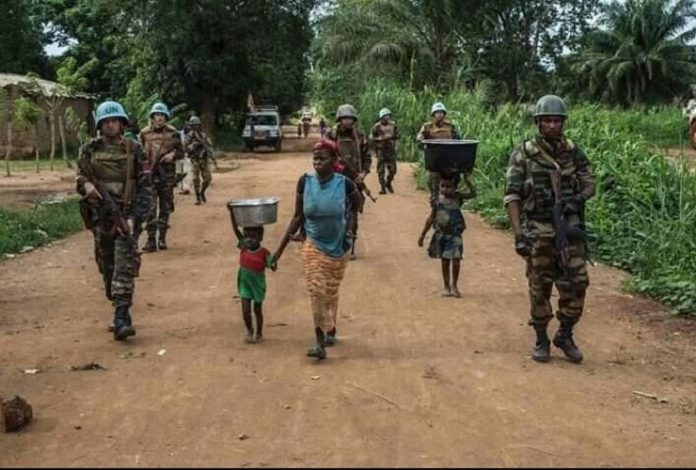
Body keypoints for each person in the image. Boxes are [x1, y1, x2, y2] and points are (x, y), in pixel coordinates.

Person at [504, 95, 596, 364]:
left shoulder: (573, 151)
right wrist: (519, 235)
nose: (553, 126)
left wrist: (578, 198)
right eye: (548, 121)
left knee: (577, 282)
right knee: (539, 286)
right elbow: (512, 196)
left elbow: (590, 180)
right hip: (538, 228)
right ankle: (542, 338)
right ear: (538, 123)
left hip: (568, 228)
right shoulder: (524, 153)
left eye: (557, 120)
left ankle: (565, 333)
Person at [272, 140, 362, 360]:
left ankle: (330, 327)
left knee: (330, 290)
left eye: (322, 158)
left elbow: (356, 205)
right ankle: (319, 341)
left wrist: (349, 226)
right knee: (316, 289)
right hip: (313, 244)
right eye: (315, 158)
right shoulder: (305, 182)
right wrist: (277, 252)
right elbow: (297, 216)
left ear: (334, 160)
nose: (317, 162)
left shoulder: (345, 184)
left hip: (339, 245)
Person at [76, 101, 152, 341]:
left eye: (115, 121)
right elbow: (80, 177)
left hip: (126, 216)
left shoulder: (134, 149)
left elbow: (145, 187)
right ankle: (117, 302)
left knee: (123, 265)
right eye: (107, 121)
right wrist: (86, 185)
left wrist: (133, 218)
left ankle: (121, 316)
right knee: (106, 264)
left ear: (122, 123)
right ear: (100, 124)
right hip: (100, 217)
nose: (111, 125)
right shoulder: (89, 149)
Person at [418, 173, 476, 298]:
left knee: (456, 261)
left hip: (455, 234)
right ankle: (446, 286)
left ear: (455, 187)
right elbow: (431, 218)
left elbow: (473, 194)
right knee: (444, 262)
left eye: (449, 186)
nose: (445, 189)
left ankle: (454, 284)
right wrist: (423, 235)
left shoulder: (457, 198)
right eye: (442, 186)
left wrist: (468, 181)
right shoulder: (437, 200)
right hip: (442, 234)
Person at [326, 104, 372, 260]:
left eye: (350, 118)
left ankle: (351, 246)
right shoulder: (331, 135)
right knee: (333, 213)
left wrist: (363, 174)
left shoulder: (360, 136)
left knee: (353, 213)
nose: (347, 121)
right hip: (335, 180)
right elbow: (324, 155)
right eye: (345, 118)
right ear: (339, 119)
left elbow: (367, 157)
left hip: (354, 181)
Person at [139, 102, 184, 252]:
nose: (159, 118)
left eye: (162, 115)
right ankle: (151, 240)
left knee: (165, 207)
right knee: (150, 208)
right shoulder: (144, 133)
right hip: (150, 175)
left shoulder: (173, 133)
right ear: (152, 117)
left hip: (166, 175)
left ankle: (162, 238)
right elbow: (139, 154)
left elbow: (181, 152)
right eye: (156, 115)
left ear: (166, 117)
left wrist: (172, 155)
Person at [228, 209, 276, 344]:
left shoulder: (264, 253)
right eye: (246, 236)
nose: (249, 240)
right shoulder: (243, 246)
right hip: (244, 284)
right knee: (245, 310)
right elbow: (235, 230)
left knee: (257, 309)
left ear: (260, 238)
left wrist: (273, 263)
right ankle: (249, 330)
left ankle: (259, 331)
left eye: (253, 237)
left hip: (258, 285)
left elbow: (272, 266)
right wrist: (231, 213)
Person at [416, 102, 461, 201]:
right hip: (434, 161)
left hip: (449, 159)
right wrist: (421, 141)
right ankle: (435, 209)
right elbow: (420, 137)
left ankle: (451, 207)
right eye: (437, 113)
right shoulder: (427, 126)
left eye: (441, 112)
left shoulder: (450, 126)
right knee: (434, 184)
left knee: (453, 182)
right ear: (433, 114)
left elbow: (458, 139)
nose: (439, 115)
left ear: (444, 114)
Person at [185, 116, 218, 205]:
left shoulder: (203, 135)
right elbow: (185, 148)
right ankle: (197, 197)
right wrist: (194, 145)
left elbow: (209, 146)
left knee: (208, 178)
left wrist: (212, 156)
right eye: (194, 125)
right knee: (196, 179)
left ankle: (202, 192)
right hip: (194, 159)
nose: (196, 127)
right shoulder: (189, 136)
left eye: (197, 125)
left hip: (204, 159)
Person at [371, 108, 400, 194]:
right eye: (385, 116)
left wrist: (393, 137)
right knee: (381, 170)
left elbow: (398, 135)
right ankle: (382, 187)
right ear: (381, 117)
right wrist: (379, 139)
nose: (387, 117)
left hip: (390, 149)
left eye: (388, 115)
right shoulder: (377, 126)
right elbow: (371, 138)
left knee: (393, 170)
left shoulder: (393, 125)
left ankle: (388, 183)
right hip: (381, 150)